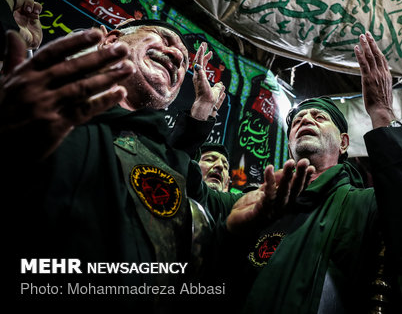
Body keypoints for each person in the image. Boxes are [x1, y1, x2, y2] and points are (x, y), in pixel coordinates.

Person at [12, 19, 309, 311]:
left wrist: (233, 234)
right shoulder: (39, 108)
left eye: (183, 60)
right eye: (162, 38)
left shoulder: (170, 163)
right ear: (112, 40)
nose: (178, 55)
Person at [203, 31, 402, 314]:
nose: (306, 120)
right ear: (290, 147)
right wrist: (230, 233)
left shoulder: (364, 205)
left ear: (344, 142)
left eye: (319, 117)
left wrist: (382, 112)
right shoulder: (253, 204)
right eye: (298, 119)